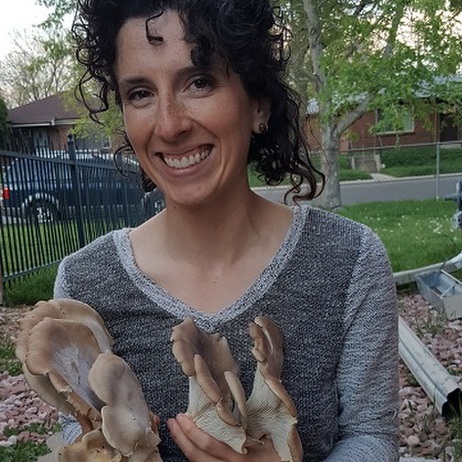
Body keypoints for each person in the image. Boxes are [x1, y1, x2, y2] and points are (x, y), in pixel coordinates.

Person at [55, 0, 400, 460]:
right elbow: (79, 438)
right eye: (140, 93)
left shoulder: (349, 259)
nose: (169, 125)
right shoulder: (83, 286)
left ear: (258, 103)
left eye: (199, 81)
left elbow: (372, 436)